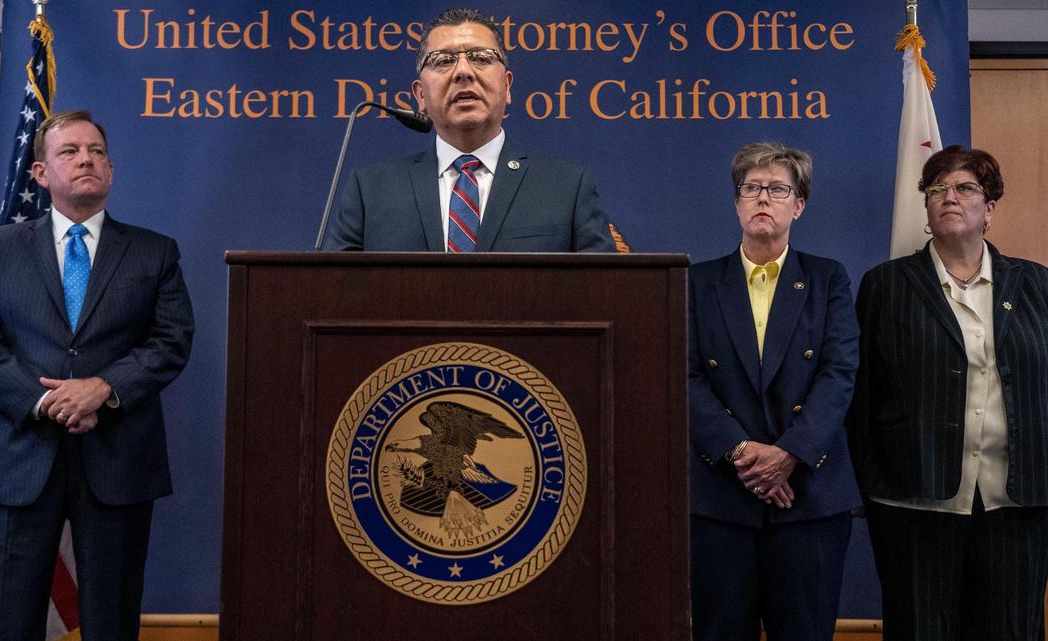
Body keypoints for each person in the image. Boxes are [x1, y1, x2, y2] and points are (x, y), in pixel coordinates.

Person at [0, 110, 194, 641]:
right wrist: (44, 403)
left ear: (110, 169)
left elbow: (172, 341)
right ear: (39, 173)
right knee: (6, 623)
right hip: (20, 460)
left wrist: (103, 389)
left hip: (118, 461)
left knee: (111, 623)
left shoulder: (155, 252)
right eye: (69, 152)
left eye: (97, 151)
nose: (86, 159)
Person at [849, 146, 1048, 641]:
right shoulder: (887, 285)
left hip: (1018, 501)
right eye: (937, 189)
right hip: (914, 498)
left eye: (964, 188)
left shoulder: (1038, 285)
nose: (949, 198)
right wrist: (871, 483)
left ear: (990, 207)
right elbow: (861, 393)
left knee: (1011, 630)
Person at [688, 142, 860, 641]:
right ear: (737, 202)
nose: (764, 198)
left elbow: (839, 372)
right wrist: (745, 453)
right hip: (721, 497)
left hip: (807, 497)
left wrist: (788, 454)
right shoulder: (698, 282)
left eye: (778, 189)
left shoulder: (828, 279)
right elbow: (686, 376)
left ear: (798, 204)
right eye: (752, 188)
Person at [321, 8, 615, 252]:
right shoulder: (370, 190)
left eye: (482, 58)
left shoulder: (566, 188)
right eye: (443, 61)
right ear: (421, 95)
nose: (463, 71)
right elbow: (331, 296)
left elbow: (606, 296)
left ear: (507, 86)